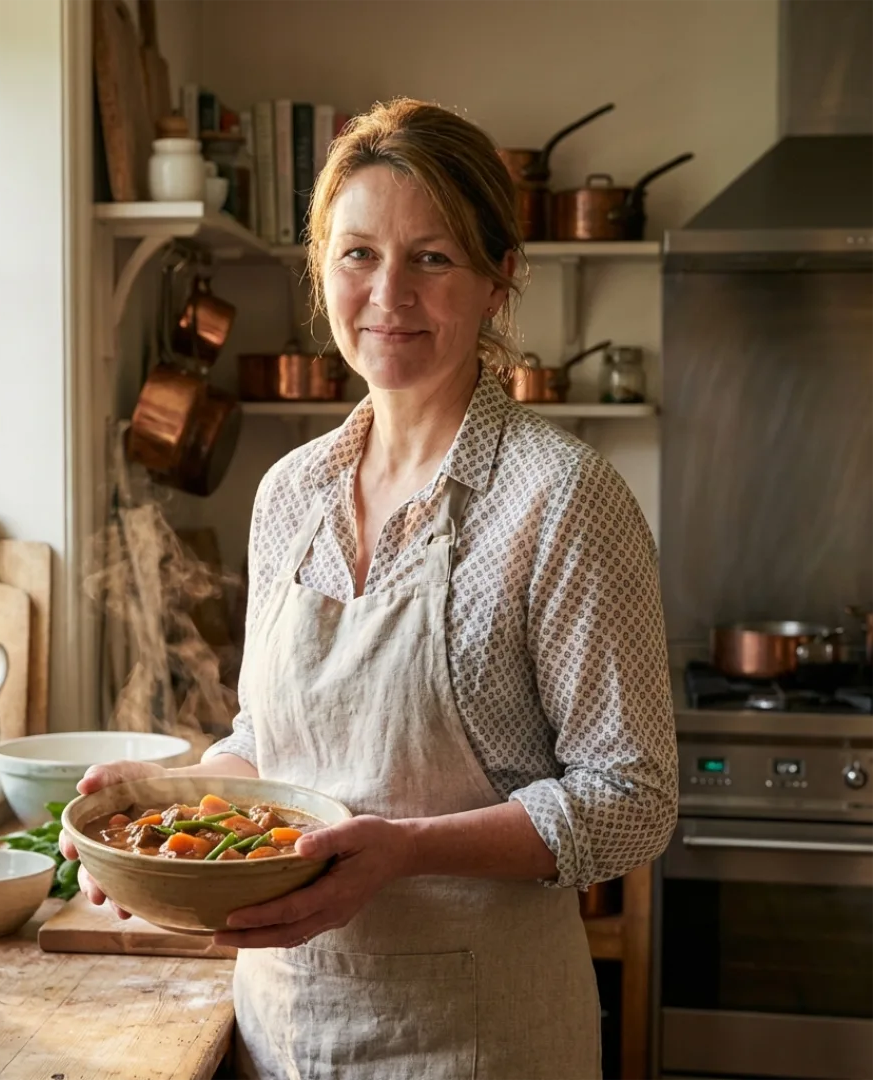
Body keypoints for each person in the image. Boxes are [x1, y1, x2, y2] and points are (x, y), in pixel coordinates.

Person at [61, 97, 678, 1079]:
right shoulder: (289, 492)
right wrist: (163, 812)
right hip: (280, 1027)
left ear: (498, 279)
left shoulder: (562, 498)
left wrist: (407, 849)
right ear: (322, 269)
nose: (389, 294)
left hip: (481, 1040)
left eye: (432, 257)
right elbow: (269, 743)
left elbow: (632, 801)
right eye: (358, 254)